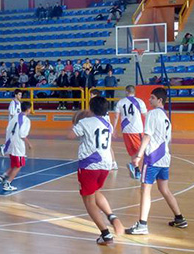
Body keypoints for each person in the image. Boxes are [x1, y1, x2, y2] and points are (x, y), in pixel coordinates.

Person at [125, 88, 187, 235]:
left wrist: (138, 156)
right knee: (164, 189)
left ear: (160, 100)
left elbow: (147, 136)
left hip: (153, 157)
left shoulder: (152, 114)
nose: (149, 100)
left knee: (145, 190)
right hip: (165, 157)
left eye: (152, 98)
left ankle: (142, 225)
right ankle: (179, 218)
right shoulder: (166, 117)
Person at [68, 96, 126, 245]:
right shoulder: (108, 123)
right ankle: (112, 216)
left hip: (89, 165)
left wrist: (76, 122)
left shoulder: (85, 122)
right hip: (105, 165)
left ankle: (105, 234)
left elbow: (70, 135)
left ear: (91, 108)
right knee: (96, 192)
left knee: (88, 201)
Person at [0, 102, 33, 192]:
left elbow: (8, 129)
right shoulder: (26, 120)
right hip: (18, 144)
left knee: (14, 162)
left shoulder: (15, 117)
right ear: (28, 109)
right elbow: (22, 134)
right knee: (19, 165)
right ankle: (7, 183)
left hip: (11, 142)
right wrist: (29, 143)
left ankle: (4, 175)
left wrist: (6, 143)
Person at [114, 85, 147, 180]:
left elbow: (116, 116)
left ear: (126, 92)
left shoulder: (120, 102)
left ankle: (136, 171)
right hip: (137, 130)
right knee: (141, 151)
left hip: (125, 130)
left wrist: (114, 129)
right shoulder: (140, 102)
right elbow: (145, 115)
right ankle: (138, 169)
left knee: (132, 151)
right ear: (134, 92)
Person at [0, 89, 23, 156]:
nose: (20, 96)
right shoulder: (13, 102)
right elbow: (12, 113)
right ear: (15, 95)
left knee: (15, 138)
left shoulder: (19, 103)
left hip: (17, 123)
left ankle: (12, 151)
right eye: (19, 94)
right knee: (12, 137)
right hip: (13, 124)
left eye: (21, 95)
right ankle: (4, 147)